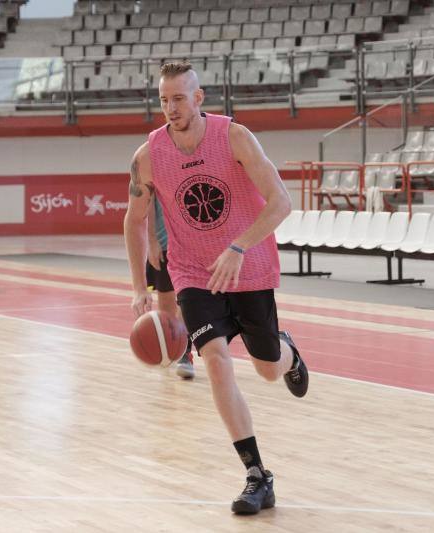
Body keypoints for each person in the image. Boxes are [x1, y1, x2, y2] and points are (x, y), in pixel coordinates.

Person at [123, 62, 309, 515]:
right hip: (192, 271)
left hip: (249, 266)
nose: (170, 108)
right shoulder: (148, 155)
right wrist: (139, 287)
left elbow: (282, 201)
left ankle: (288, 354)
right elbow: (133, 220)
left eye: (179, 98)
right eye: (164, 99)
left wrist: (240, 246)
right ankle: (256, 474)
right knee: (216, 360)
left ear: (199, 97)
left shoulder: (235, 137)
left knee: (266, 368)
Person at [146, 197, 195, 379]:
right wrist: (151, 240)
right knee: (166, 306)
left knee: (186, 300)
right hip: (164, 242)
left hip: (193, 243)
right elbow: (148, 204)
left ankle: (185, 352)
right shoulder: (153, 169)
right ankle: (170, 347)